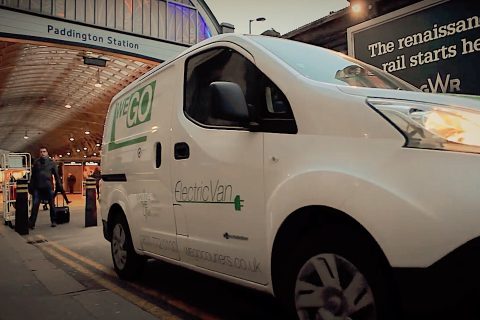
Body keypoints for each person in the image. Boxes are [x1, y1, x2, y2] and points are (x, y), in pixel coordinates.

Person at [28, 146, 63, 228]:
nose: (42, 153)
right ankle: (32, 223)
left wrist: (59, 186)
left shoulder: (52, 163)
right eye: (41, 152)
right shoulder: (36, 163)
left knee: (52, 204)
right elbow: (33, 176)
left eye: (44, 151)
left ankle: (53, 221)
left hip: (48, 187)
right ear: (39, 153)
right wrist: (31, 187)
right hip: (38, 187)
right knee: (35, 205)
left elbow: (56, 176)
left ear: (47, 153)